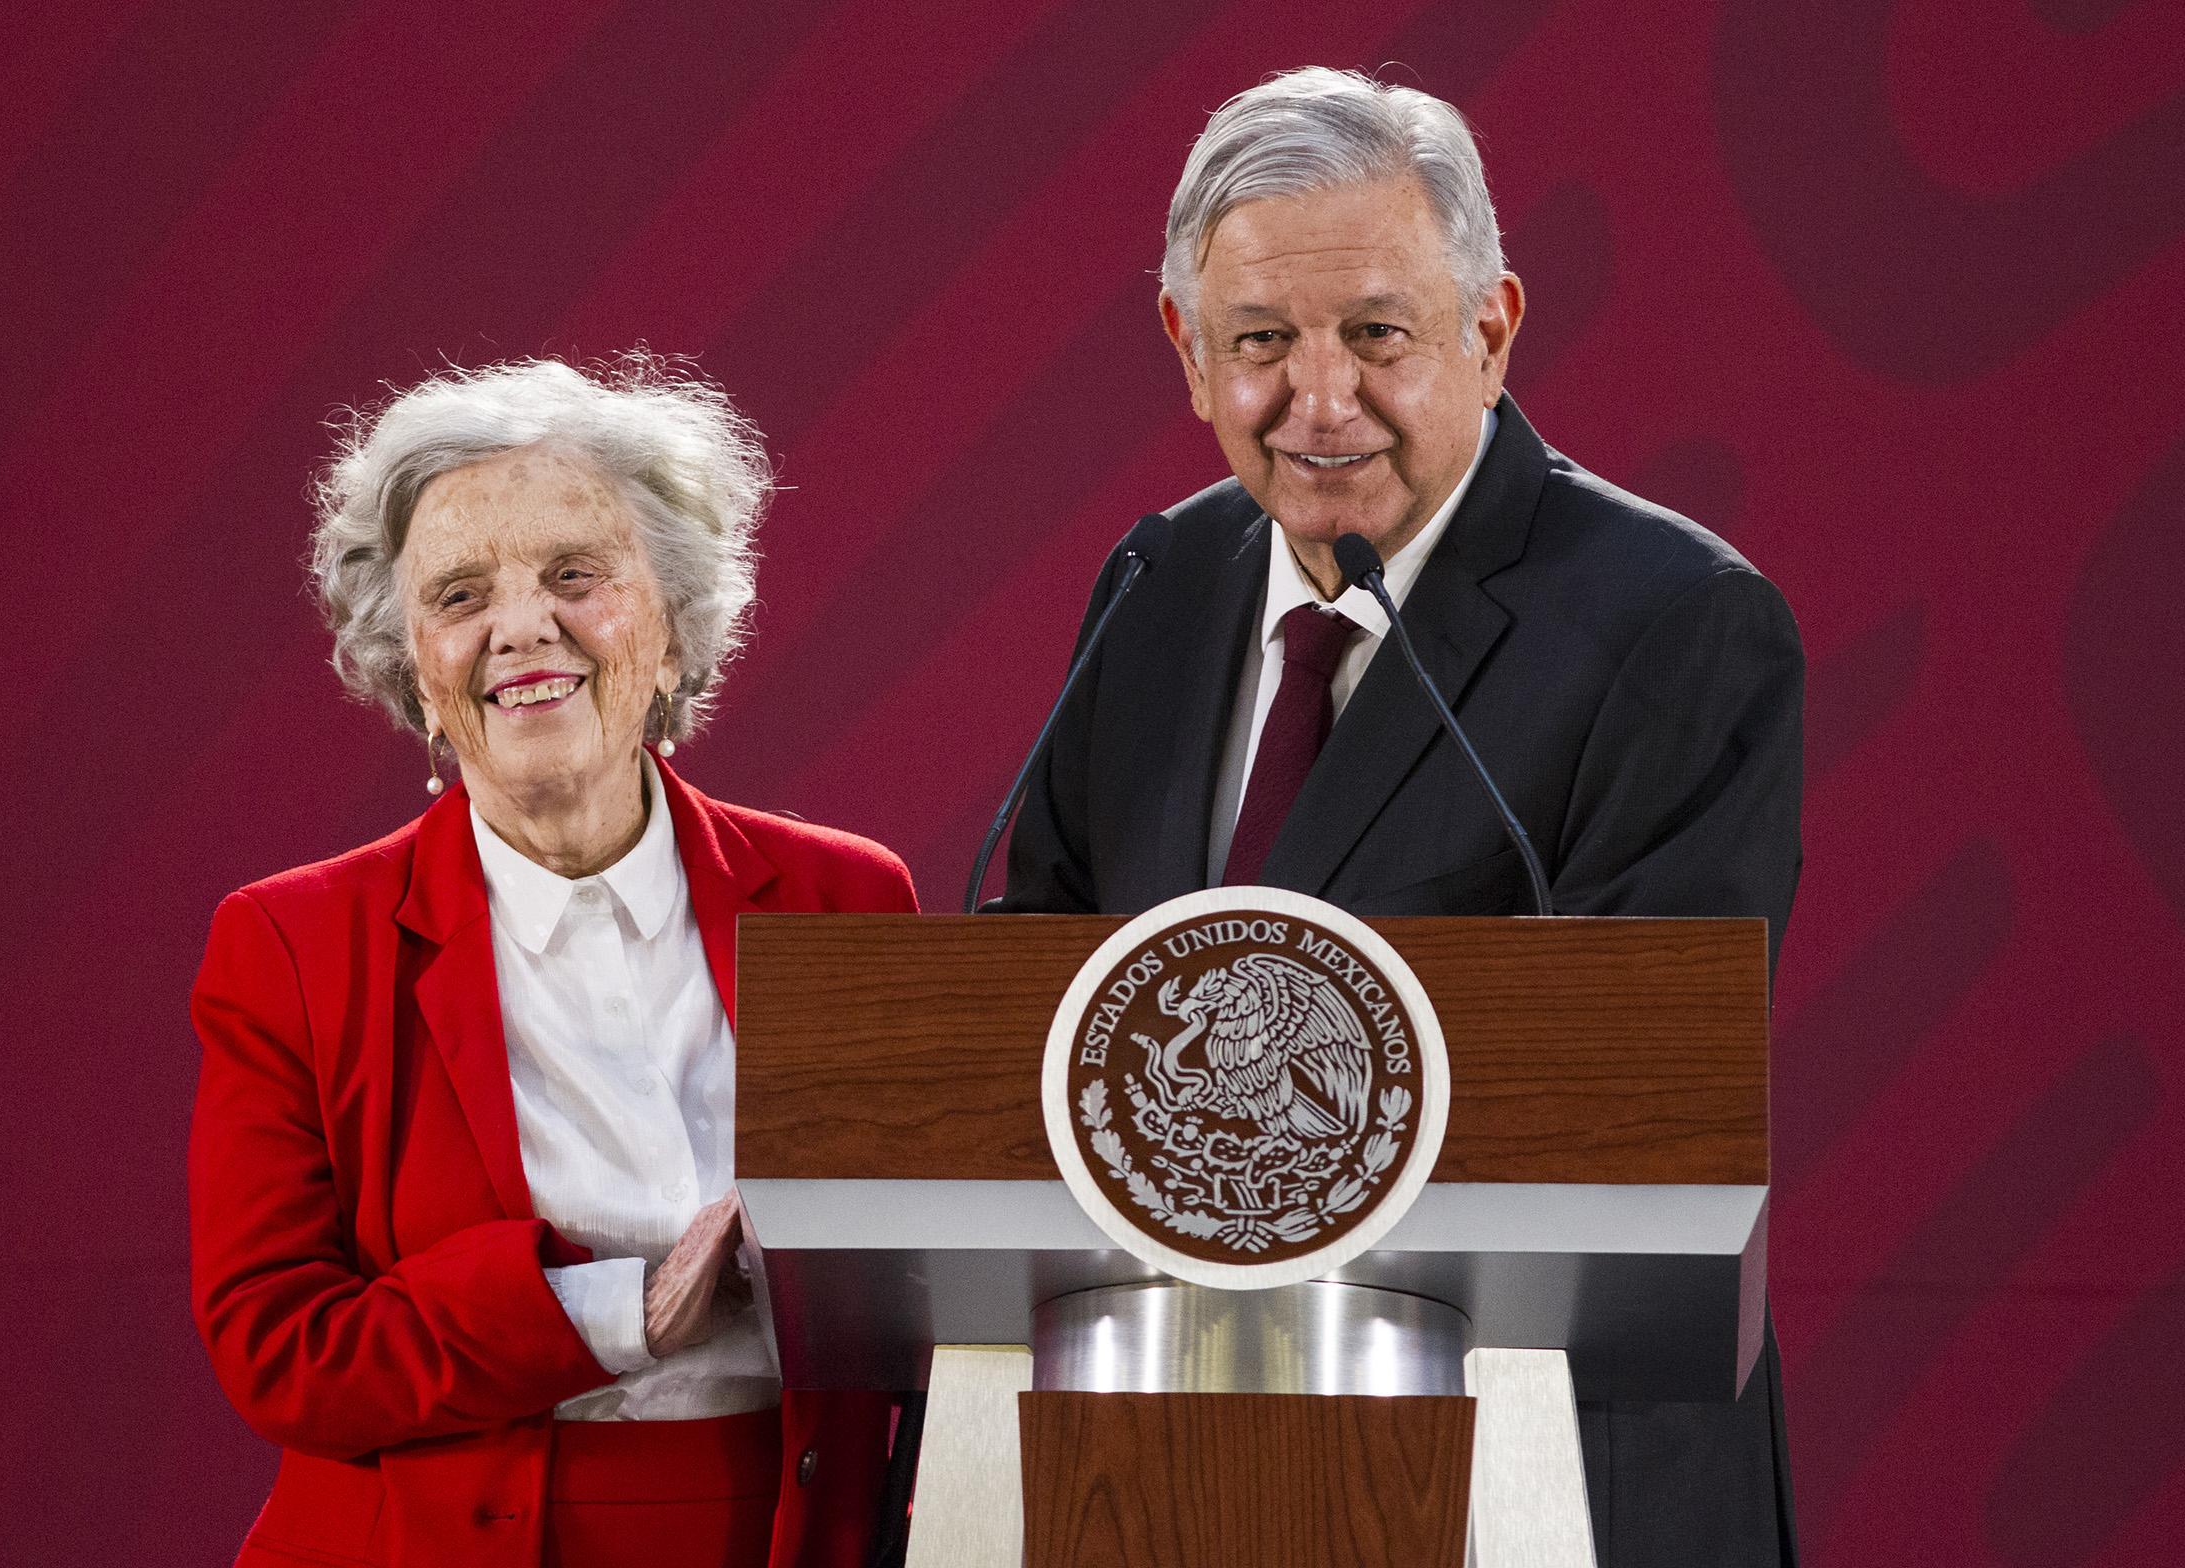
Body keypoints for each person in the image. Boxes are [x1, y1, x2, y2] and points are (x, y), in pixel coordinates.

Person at [998, 69, 1804, 1566]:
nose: (1318, 399)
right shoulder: (1157, 591)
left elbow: (1635, 1081)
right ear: (1186, 351)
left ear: (1489, 329)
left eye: (1375, 333)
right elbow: (1031, 982)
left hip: (1542, 1469)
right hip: (1171, 1452)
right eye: (1259, 344)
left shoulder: (1675, 623)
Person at [190, 358, 914, 1568]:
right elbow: (279, 1348)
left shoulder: (850, 897)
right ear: (414, 665)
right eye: (462, 592)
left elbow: (923, 1282)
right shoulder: (292, 944)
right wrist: (616, 1311)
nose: (521, 625)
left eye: (574, 575)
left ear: (676, 627)